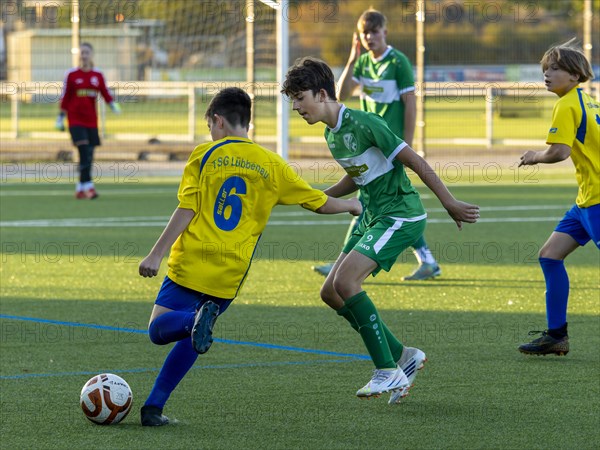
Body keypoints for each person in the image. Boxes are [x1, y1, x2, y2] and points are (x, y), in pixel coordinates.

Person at [137, 87, 362, 426]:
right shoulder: (271, 164)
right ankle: (153, 407)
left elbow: (187, 208)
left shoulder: (205, 154)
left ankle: (190, 325)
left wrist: (155, 254)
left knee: (159, 330)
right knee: (196, 333)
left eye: (211, 126)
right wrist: (351, 204)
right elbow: (317, 201)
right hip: (230, 274)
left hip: (192, 263)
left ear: (218, 120)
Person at [282, 57, 479, 403]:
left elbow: (414, 161)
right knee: (330, 293)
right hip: (372, 216)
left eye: (301, 97)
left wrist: (448, 201)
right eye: (293, 100)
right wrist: (317, 197)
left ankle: (387, 370)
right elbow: (356, 176)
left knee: (346, 282)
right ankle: (404, 357)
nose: (296, 106)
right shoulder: (332, 134)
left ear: (323, 93)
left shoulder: (364, 122)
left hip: (400, 215)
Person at [312, 9, 442, 281]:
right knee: (375, 201)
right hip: (368, 145)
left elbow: (410, 103)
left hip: (389, 145)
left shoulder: (398, 62)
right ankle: (424, 259)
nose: (369, 37)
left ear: (385, 31)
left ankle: (345, 262)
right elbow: (342, 94)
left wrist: (407, 143)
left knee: (375, 201)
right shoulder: (362, 64)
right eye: (364, 33)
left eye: (374, 32)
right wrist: (352, 57)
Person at [518, 39, 598, 356]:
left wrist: (534, 156)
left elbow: (559, 152)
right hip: (585, 202)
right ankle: (556, 335)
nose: (547, 74)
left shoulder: (566, 105)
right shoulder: (588, 101)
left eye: (555, 68)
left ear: (575, 75)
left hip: (597, 200)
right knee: (550, 256)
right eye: (545, 69)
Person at [56, 42, 121, 199]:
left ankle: (80, 188)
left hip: (91, 120)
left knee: (89, 154)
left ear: (91, 55)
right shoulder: (71, 75)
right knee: (84, 151)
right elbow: (65, 97)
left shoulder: (97, 75)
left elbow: (104, 92)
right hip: (75, 120)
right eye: (82, 53)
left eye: (87, 52)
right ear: (79, 56)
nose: (84, 55)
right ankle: (89, 187)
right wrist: (60, 117)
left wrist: (112, 105)